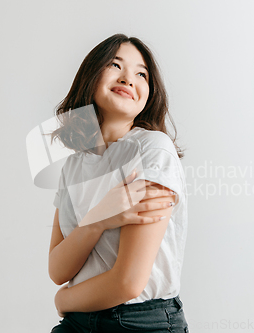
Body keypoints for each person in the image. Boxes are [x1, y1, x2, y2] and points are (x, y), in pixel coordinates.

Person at [48, 33, 189, 333]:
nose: (128, 78)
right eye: (115, 65)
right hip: (78, 322)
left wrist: (64, 300)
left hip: (140, 323)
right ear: (91, 74)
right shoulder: (73, 166)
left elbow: (128, 283)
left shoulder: (153, 149)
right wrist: (97, 220)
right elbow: (58, 268)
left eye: (141, 74)